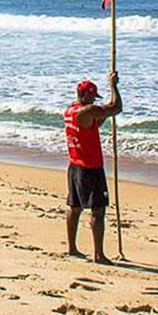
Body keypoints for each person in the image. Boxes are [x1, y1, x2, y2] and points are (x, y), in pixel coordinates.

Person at [64, 71, 122, 263]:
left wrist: (102, 114)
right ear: (86, 95)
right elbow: (116, 107)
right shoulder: (86, 111)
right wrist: (113, 85)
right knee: (98, 210)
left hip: (74, 166)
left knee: (75, 207)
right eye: (92, 97)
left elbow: (96, 122)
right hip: (90, 168)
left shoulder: (70, 111)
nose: (93, 101)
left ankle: (72, 248)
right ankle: (99, 254)